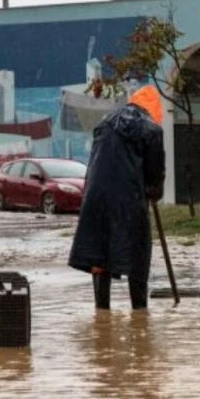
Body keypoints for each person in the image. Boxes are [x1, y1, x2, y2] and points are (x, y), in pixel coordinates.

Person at [69, 84, 166, 309]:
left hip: (95, 197)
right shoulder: (152, 130)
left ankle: (101, 311)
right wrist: (154, 193)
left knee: (99, 251)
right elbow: (156, 172)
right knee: (138, 252)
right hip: (130, 198)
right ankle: (139, 312)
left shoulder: (104, 124)